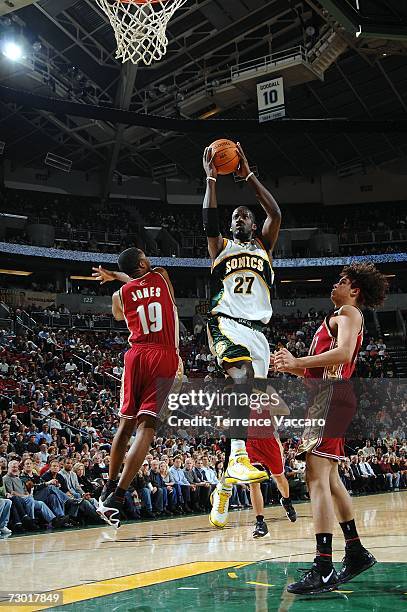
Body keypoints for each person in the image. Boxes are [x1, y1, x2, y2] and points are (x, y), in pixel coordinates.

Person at [274, 263, 388, 594]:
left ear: (354, 290)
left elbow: (345, 352)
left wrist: (297, 361)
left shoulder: (349, 313)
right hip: (326, 395)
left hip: (331, 397)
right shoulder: (336, 319)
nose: (334, 285)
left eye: (341, 281)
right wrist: (290, 367)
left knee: (316, 477)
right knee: (332, 479)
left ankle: (323, 566)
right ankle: (355, 552)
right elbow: (316, 372)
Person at [202, 142, 282, 529]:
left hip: (259, 336)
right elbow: (208, 222)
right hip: (226, 322)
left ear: (254, 225)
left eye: (244, 216)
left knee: (251, 413)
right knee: (240, 375)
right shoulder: (220, 246)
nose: (238, 219)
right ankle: (234, 457)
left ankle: (223, 487)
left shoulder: (266, 244)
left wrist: (247, 175)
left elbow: (276, 212)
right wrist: (212, 181)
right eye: (234, 216)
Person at [91, 248, 183, 527]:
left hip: (135, 356)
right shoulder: (161, 277)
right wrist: (119, 275)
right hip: (163, 354)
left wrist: (117, 278)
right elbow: (138, 277)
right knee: (147, 428)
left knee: (125, 425)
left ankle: (109, 485)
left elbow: (120, 313)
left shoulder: (119, 295)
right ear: (144, 263)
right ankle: (118, 498)